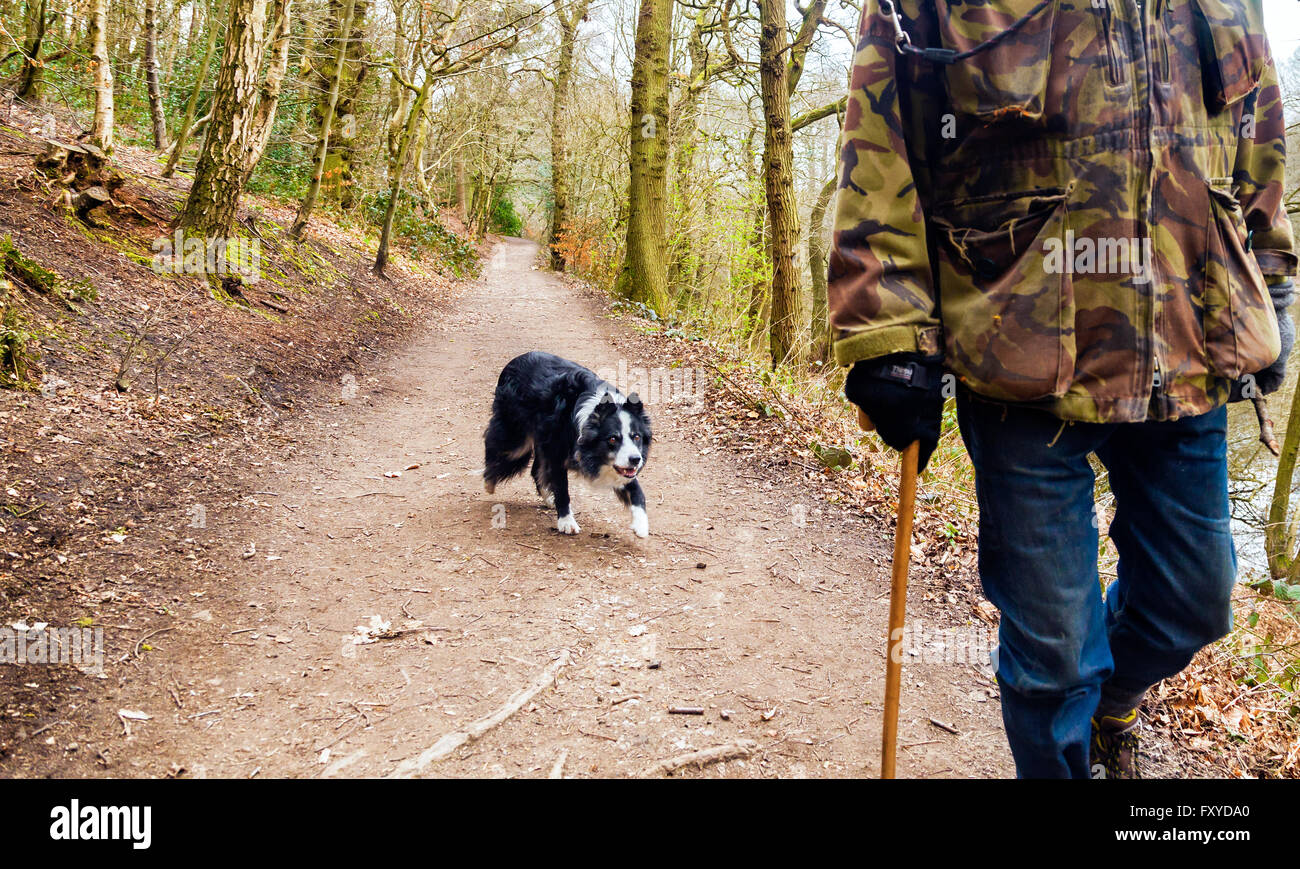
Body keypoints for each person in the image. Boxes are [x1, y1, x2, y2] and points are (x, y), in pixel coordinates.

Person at [829, 0, 1296, 778]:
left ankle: (1115, 704)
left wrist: (1271, 278)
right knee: (1053, 665)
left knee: (1195, 599)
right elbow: (883, 131)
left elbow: (1258, 125)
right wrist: (888, 333)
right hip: (1017, 352)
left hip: (1190, 338)